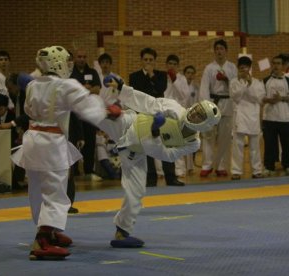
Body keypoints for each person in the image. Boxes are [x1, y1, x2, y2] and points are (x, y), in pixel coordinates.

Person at [11, 46, 109, 260]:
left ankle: (48, 230)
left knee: (36, 187)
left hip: (33, 139)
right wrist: (108, 109)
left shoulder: (32, 85)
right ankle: (44, 239)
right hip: (51, 141)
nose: (69, 65)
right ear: (59, 63)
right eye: (66, 61)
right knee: (55, 188)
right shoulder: (66, 85)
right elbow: (88, 108)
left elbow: (27, 111)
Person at [99, 78, 220, 248]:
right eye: (197, 110)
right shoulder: (175, 108)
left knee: (137, 193)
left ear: (205, 125)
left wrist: (155, 133)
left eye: (200, 116)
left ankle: (122, 233)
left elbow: (167, 155)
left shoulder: (193, 142)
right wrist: (121, 88)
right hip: (129, 123)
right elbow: (147, 102)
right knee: (92, 113)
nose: (194, 114)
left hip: (136, 152)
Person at [129, 47, 183, 187]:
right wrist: (147, 76)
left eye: (151, 60)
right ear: (141, 61)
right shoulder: (134, 76)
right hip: (144, 114)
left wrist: (151, 74)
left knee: (167, 144)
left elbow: (160, 89)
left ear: (155, 61)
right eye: (145, 60)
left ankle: (171, 177)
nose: (148, 62)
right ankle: (150, 178)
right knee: (147, 146)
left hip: (160, 113)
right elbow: (139, 92)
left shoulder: (161, 75)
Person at [199, 39, 237, 177]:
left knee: (225, 137)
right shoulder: (209, 68)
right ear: (214, 51)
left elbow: (236, 86)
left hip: (227, 103)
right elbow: (204, 88)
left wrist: (228, 80)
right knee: (208, 136)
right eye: (217, 49)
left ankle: (221, 166)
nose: (219, 51)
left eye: (221, 48)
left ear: (226, 51)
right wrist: (207, 106)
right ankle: (207, 165)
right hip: (213, 103)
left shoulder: (232, 68)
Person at [262, 55, 289, 176]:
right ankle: (269, 166)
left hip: (285, 118)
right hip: (269, 117)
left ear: (283, 65)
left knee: (287, 144)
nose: (276, 66)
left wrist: (282, 98)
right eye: (274, 63)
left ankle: (288, 165)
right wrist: (268, 100)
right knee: (269, 144)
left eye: (278, 63)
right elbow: (259, 96)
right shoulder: (266, 80)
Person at [230, 56, 265, 180]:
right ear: (238, 68)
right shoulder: (234, 82)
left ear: (250, 68)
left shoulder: (257, 82)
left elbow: (259, 98)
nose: (243, 70)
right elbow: (235, 97)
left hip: (253, 117)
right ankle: (236, 171)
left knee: (255, 146)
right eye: (241, 68)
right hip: (240, 116)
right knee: (237, 146)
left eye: (245, 68)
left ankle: (257, 170)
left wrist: (249, 84)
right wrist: (243, 85)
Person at [70, 48, 103, 182]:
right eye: (79, 57)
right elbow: (71, 92)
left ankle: (89, 170)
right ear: (75, 58)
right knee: (74, 142)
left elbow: (97, 89)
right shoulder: (71, 74)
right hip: (75, 114)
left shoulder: (92, 72)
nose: (82, 59)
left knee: (90, 142)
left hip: (90, 114)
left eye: (84, 56)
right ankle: (74, 171)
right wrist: (86, 89)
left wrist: (82, 89)